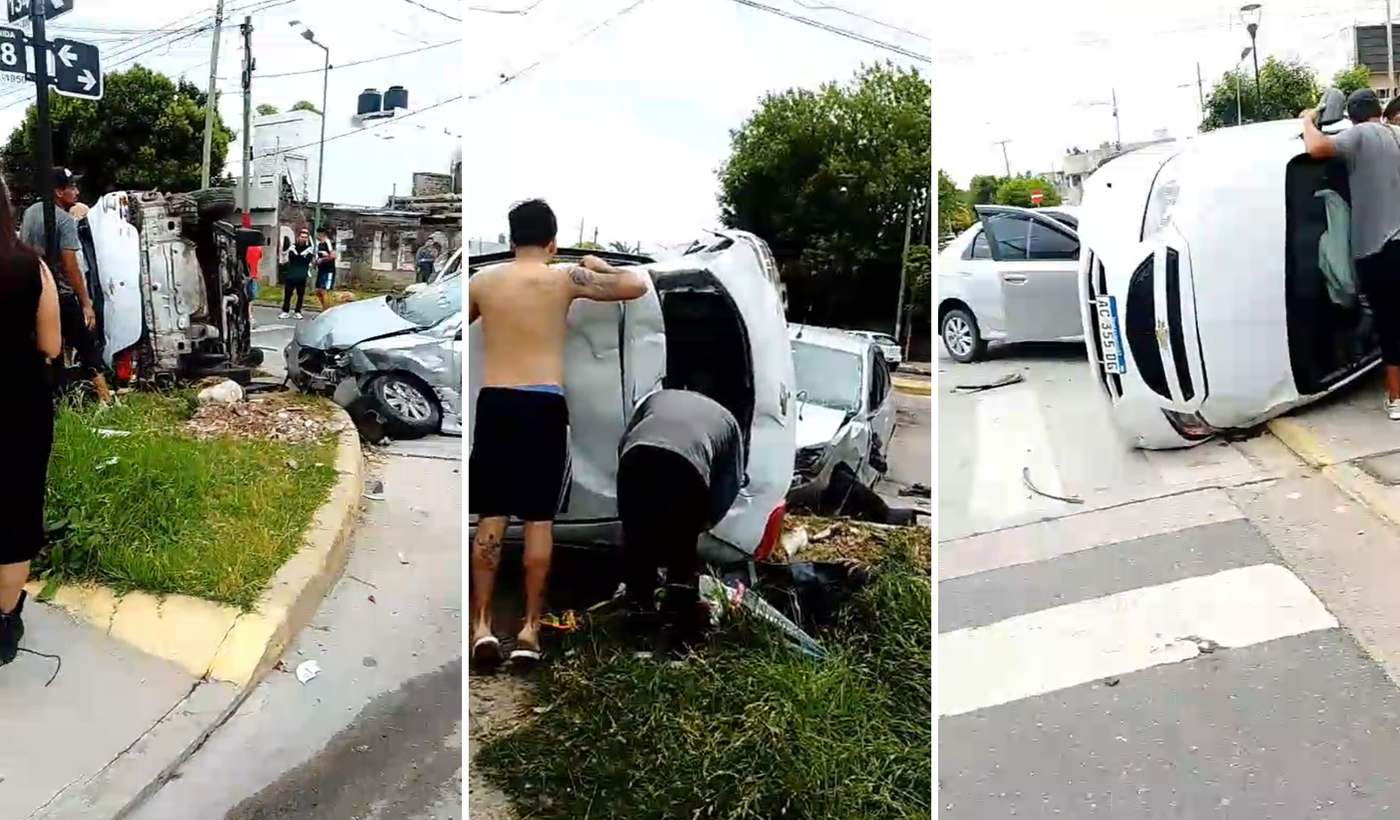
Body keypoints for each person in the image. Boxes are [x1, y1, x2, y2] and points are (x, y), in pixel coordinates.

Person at [467, 198, 649, 667]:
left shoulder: (482, 281)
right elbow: (636, 285)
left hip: (496, 404)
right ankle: (529, 631)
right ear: (552, 241)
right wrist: (594, 261)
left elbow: (459, 329)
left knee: (492, 517)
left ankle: (481, 628)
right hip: (543, 406)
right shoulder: (565, 277)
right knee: (539, 520)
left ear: (511, 239)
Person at [1302, 88, 1400, 420]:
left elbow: (1316, 148)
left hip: (1378, 249)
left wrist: (1307, 121)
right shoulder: (1395, 134)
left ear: (1353, 117)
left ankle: (1396, 398)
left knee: (1389, 324)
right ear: (1378, 110)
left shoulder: (1360, 135)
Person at [0, 173, 63, 664]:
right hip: (18, 407)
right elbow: (52, 345)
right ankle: (4, 626)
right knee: (15, 514)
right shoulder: (30, 266)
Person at [19, 167, 109, 403]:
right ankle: (106, 399)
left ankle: (57, 398)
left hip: (35, 291)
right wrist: (86, 304)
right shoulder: (64, 220)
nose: (76, 192)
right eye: (72, 187)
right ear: (59, 192)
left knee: (49, 349)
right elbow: (71, 266)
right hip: (60, 293)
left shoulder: (29, 213)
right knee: (85, 344)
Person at [281, 227, 315, 319]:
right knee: (288, 294)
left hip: (302, 275)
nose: (303, 239)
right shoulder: (292, 247)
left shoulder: (309, 249)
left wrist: (302, 257)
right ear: (298, 237)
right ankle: (285, 311)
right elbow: (291, 258)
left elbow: (307, 260)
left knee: (300, 295)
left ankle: (298, 311)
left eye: (305, 237)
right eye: (302, 237)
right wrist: (300, 257)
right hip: (291, 274)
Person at [313, 227, 337, 312]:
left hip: (329, 270)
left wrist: (322, 260)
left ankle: (327, 310)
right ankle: (324, 307)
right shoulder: (319, 244)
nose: (316, 236)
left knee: (325, 291)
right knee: (318, 290)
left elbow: (333, 256)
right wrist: (316, 262)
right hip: (321, 270)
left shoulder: (328, 243)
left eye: (318, 234)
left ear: (322, 234)